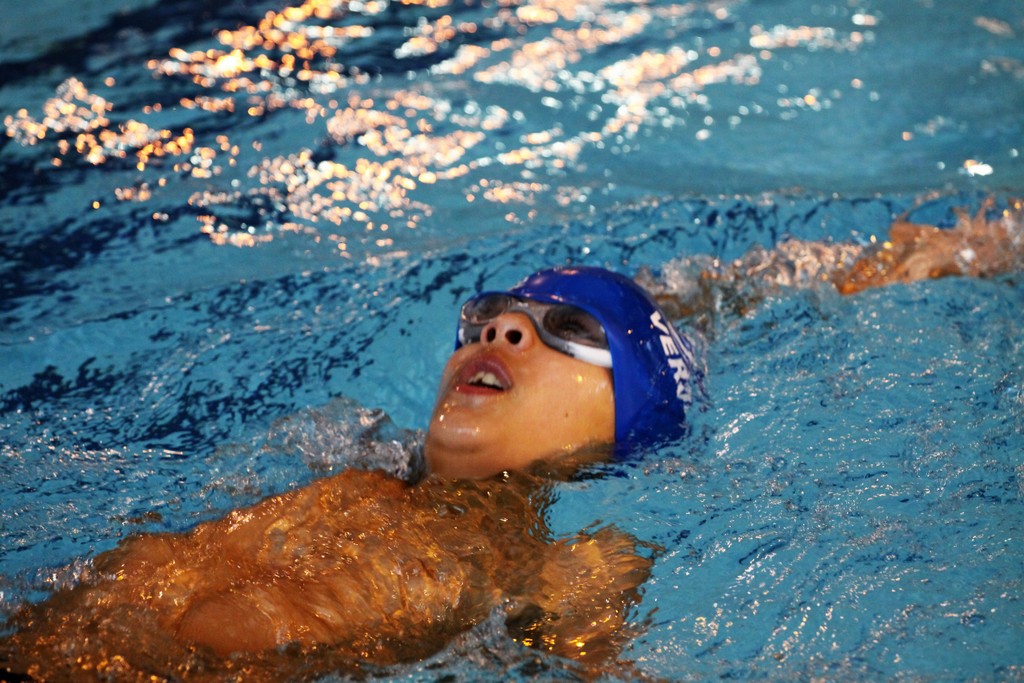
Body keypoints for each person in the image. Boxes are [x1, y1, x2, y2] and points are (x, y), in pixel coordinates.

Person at [0, 267, 699, 682]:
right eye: (488, 318)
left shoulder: (568, 563)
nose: (503, 329)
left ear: (635, 413)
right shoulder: (355, 470)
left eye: (571, 329)